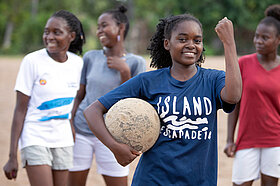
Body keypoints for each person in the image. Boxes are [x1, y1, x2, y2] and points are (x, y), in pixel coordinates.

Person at [83, 13, 242, 185]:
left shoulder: (213, 79)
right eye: (182, 39)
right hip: (153, 179)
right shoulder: (148, 81)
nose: (191, 45)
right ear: (167, 43)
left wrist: (229, 43)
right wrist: (115, 148)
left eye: (197, 41)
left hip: (199, 181)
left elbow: (233, 96)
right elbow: (92, 111)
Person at [223, 4, 280, 186]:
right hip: (246, 139)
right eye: (257, 36)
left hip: (276, 140)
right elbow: (234, 102)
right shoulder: (243, 64)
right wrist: (230, 139)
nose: (258, 41)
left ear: (279, 39)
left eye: (265, 38)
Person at [3, 10, 85, 186]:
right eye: (46, 31)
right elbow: (20, 110)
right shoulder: (32, 61)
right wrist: (12, 156)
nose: (49, 37)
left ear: (71, 36)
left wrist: (71, 126)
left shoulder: (78, 64)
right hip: (35, 136)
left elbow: (79, 99)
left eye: (57, 32)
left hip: (63, 139)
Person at [68, 5, 146, 186]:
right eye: (98, 27)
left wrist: (124, 72)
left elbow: (134, 105)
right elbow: (80, 95)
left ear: (121, 28)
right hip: (81, 131)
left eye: (104, 25)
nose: (99, 31)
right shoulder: (90, 57)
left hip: (114, 136)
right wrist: (70, 122)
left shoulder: (136, 62)